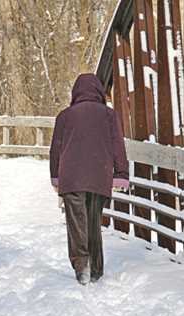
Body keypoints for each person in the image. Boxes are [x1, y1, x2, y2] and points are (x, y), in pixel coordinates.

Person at [50, 73, 129, 285]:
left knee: (77, 224)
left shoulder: (64, 116)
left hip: (72, 178)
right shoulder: (109, 115)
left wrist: (55, 177)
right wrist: (121, 174)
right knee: (93, 223)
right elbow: (117, 146)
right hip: (99, 176)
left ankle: (81, 264)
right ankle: (96, 267)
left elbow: (56, 150)